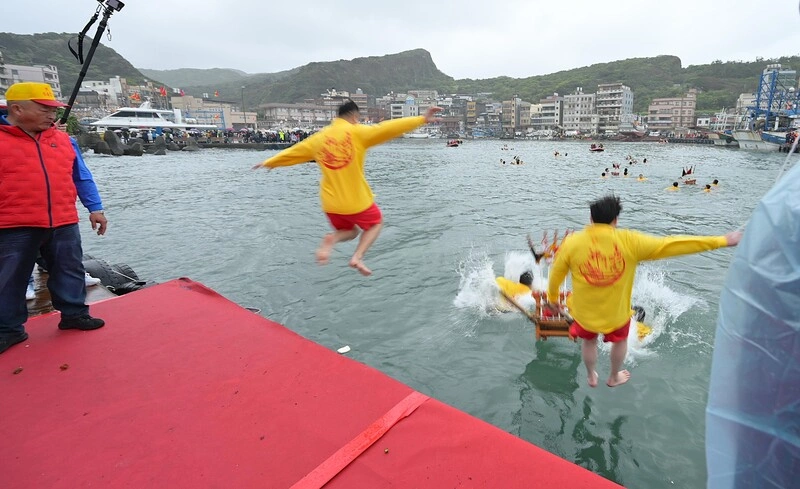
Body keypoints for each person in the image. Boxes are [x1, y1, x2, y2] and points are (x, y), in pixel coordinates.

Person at [545, 195, 741, 388]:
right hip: (616, 316)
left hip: (585, 315)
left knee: (589, 342)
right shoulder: (630, 241)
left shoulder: (572, 243)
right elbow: (671, 245)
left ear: (591, 219)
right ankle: (613, 376)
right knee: (620, 342)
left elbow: (556, 275)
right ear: (615, 220)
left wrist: (553, 299)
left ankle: (591, 376)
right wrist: (721, 240)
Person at [252, 100, 442, 276]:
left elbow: (295, 152)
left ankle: (332, 239)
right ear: (353, 116)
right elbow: (388, 128)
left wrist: (270, 162)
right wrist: (422, 119)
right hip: (355, 202)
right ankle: (357, 257)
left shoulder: (318, 139)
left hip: (331, 205)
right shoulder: (357, 132)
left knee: (351, 232)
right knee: (376, 223)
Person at [0, 82, 108, 355]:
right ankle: (8, 329)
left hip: (62, 219)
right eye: (44, 108)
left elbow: (81, 176)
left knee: (69, 269)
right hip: (13, 223)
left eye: (53, 109)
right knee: (9, 278)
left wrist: (95, 207)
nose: (52, 115)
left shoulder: (63, 140)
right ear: (17, 109)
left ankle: (74, 314)